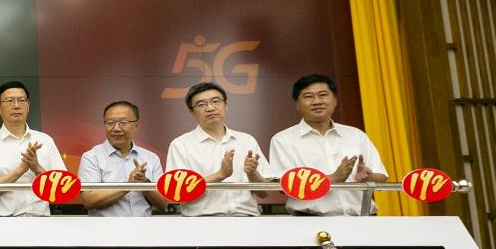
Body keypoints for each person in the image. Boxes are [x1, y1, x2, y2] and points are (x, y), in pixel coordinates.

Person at [267, 74, 388, 216]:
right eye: (308, 96)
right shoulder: (283, 140)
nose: (317, 101)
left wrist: (366, 178)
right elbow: (284, 186)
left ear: (335, 100)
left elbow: (381, 178)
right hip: (311, 221)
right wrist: (332, 179)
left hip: (363, 218)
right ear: (298, 104)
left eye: (323, 95)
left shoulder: (356, 135)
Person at [165, 82, 269, 217]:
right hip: (201, 221)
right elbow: (179, 193)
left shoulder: (246, 140)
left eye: (215, 101)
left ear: (226, 105)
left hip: (246, 219)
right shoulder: (180, 145)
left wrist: (252, 173)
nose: (210, 108)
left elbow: (264, 193)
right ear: (192, 112)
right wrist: (220, 175)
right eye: (201, 104)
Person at [0, 80, 65, 216]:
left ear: (28, 106)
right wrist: (19, 171)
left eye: (22, 100)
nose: (16, 106)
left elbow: (62, 189)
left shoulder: (45, 140)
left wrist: (37, 168)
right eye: (10, 101)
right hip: (0, 222)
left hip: (40, 221)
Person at [78, 100, 167, 217]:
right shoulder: (91, 157)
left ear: (136, 125)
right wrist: (128, 185)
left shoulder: (151, 158)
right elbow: (88, 201)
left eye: (123, 123)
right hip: (106, 227)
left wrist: (144, 183)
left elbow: (163, 205)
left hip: (144, 227)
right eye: (110, 122)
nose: (116, 128)